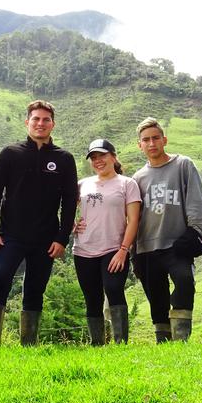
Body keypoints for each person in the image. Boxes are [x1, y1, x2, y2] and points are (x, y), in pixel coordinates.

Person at [0, 100, 78, 345]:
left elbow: (69, 202)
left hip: (46, 238)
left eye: (46, 120)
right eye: (36, 119)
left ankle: (29, 343)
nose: (40, 124)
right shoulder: (9, 153)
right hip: (10, 235)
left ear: (53, 124)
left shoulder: (64, 159)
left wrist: (62, 237)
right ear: (27, 122)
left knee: (36, 288)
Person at [132, 117, 202, 342]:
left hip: (178, 243)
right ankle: (163, 343)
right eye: (146, 140)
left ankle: (181, 338)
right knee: (156, 297)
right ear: (140, 145)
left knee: (185, 282)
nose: (152, 143)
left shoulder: (183, 164)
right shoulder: (137, 178)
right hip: (147, 245)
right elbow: (133, 216)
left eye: (156, 138)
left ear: (164, 139)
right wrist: (132, 250)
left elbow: (194, 200)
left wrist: (195, 231)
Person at [72, 139, 141, 345]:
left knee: (113, 289)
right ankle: (97, 344)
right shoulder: (82, 184)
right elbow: (67, 209)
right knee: (92, 297)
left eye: (102, 155)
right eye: (94, 157)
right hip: (83, 249)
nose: (98, 161)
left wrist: (123, 249)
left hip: (113, 247)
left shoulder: (127, 184)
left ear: (113, 156)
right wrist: (71, 227)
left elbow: (134, 219)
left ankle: (120, 343)